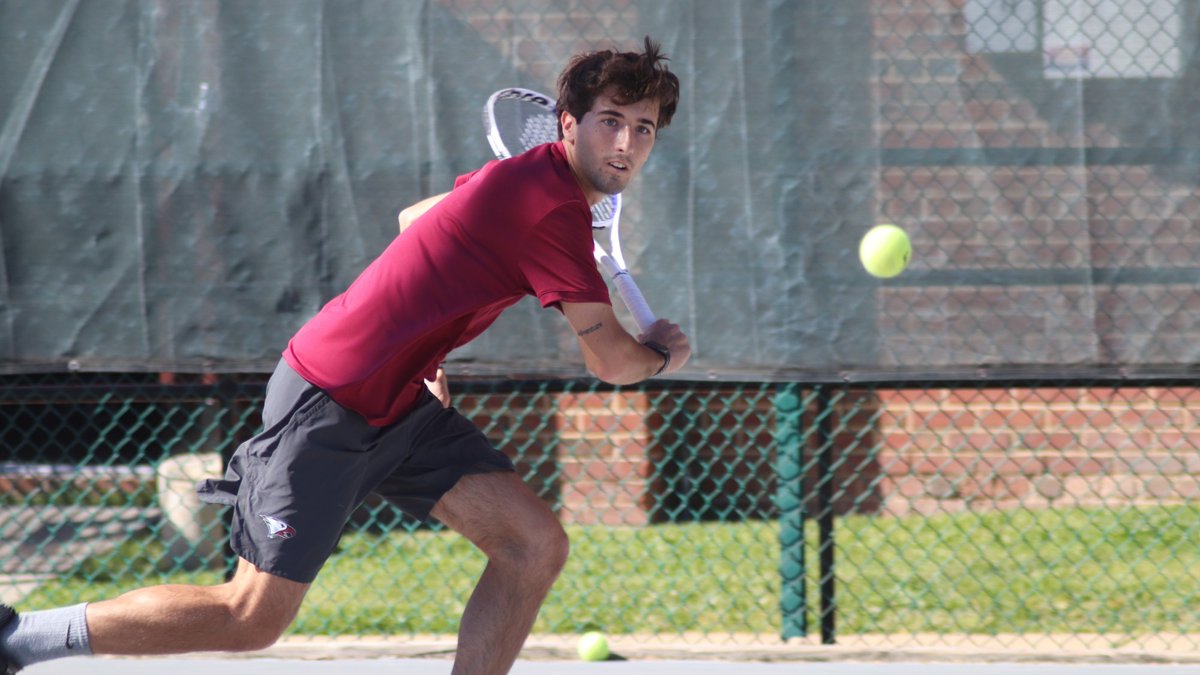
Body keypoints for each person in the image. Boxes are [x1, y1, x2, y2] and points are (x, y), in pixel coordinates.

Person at [0, 37, 688, 675]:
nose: (626, 141)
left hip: (401, 402)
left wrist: (424, 349)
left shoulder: (524, 181)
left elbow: (419, 221)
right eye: (610, 119)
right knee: (249, 617)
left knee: (531, 545)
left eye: (644, 127)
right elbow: (612, 363)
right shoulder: (548, 208)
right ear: (567, 123)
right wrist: (659, 352)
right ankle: (19, 639)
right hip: (329, 397)